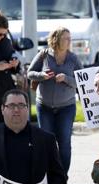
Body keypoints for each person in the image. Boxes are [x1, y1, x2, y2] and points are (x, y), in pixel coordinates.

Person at [27, 26, 82, 173]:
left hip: (67, 107)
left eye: (70, 38)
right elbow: (29, 73)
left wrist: (66, 79)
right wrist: (41, 76)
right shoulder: (44, 55)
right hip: (44, 106)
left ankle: (62, 176)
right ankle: (46, 174)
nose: (69, 41)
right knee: (45, 142)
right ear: (56, 39)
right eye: (66, 38)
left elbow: (82, 81)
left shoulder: (73, 58)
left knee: (64, 143)